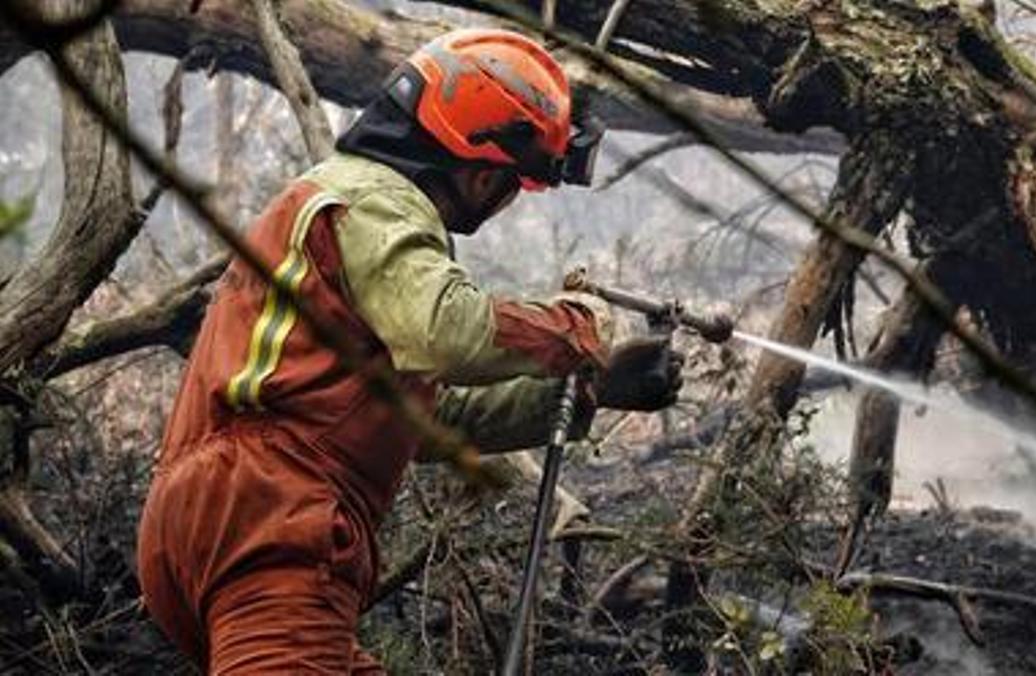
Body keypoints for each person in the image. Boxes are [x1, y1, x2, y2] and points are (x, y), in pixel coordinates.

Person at [137, 28, 681, 674]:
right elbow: (443, 331)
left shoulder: (353, 217)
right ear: (481, 171)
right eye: (512, 183)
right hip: (274, 522)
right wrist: (573, 328)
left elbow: (426, 419)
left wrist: (592, 390)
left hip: (229, 518)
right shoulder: (375, 200)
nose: (505, 200)